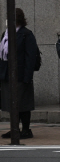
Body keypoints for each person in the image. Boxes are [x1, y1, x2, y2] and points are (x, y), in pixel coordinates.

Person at [0, 9, 38, 139]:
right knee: (11, 103)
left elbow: (30, 57)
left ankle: (26, 129)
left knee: (23, 103)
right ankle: (14, 128)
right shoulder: (5, 34)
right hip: (6, 74)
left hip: (20, 74)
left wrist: (27, 76)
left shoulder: (26, 34)